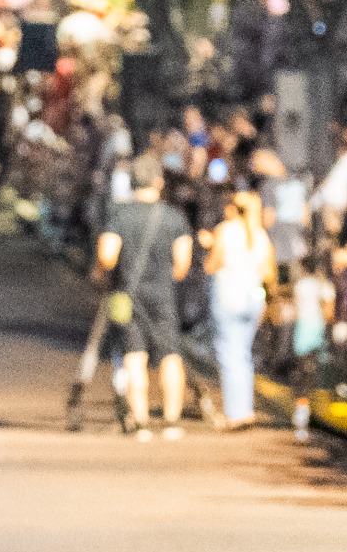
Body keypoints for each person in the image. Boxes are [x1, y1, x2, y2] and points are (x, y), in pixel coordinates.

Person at [94, 154, 193, 437]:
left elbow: (107, 256)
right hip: (163, 295)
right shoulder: (174, 218)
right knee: (170, 357)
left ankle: (141, 422)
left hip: (128, 295)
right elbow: (182, 265)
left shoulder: (119, 215)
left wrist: (104, 272)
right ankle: (172, 422)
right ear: (159, 182)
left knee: (134, 357)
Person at [201, 185, 276, 428]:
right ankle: (245, 409)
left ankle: (236, 413)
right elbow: (269, 273)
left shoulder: (226, 231)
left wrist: (209, 246)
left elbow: (212, 264)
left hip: (228, 297)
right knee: (243, 353)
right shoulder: (261, 236)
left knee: (229, 354)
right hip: (253, 299)